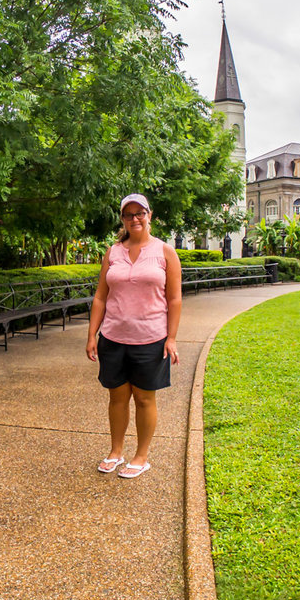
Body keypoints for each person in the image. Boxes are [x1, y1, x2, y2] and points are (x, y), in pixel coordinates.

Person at [85, 194, 182, 479]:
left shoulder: (165, 252)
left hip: (150, 338)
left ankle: (141, 456)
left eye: (140, 213)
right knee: (117, 398)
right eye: (129, 215)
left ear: (150, 215)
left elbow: (175, 299)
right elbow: (101, 297)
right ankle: (116, 452)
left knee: (143, 399)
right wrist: (92, 334)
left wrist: (172, 338)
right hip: (113, 337)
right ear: (123, 219)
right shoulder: (113, 252)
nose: (135, 218)